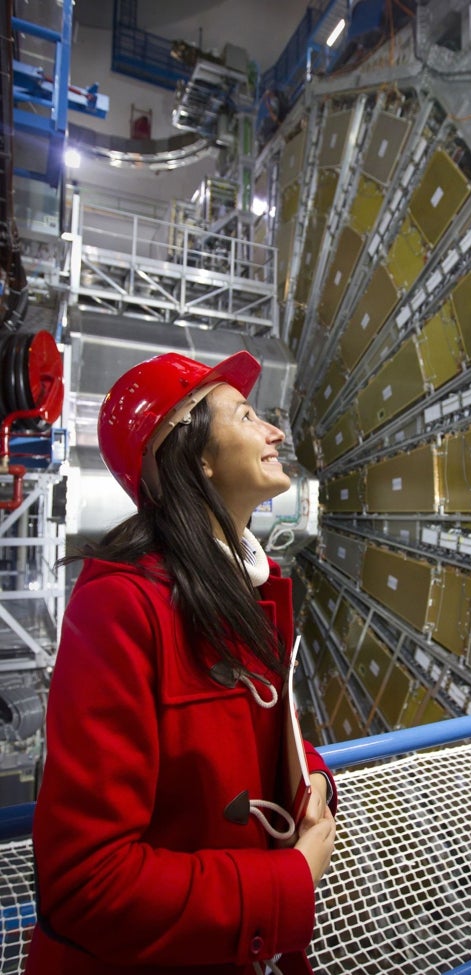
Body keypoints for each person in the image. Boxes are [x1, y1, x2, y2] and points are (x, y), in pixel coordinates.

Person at [25, 350, 337, 975]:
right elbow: (88, 882)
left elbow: (244, 742)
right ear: (196, 456)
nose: (275, 433)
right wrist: (286, 882)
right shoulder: (119, 608)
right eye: (248, 416)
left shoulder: (249, 588)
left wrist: (315, 780)